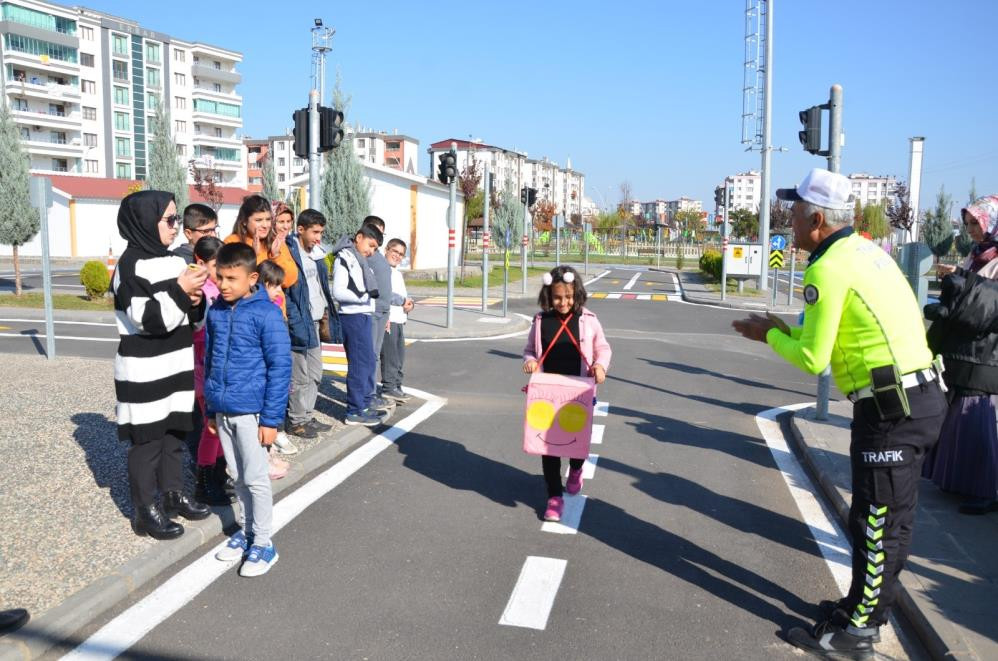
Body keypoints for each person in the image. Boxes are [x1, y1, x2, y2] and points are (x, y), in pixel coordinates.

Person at [731, 168, 946, 659]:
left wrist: (769, 334)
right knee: (888, 520)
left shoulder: (826, 268)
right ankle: (861, 610)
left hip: (893, 412)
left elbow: (813, 358)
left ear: (818, 219)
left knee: (875, 523)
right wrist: (786, 330)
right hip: (919, 399)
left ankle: (859, 634)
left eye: (795, 209)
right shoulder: (868, 251)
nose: (788, 217)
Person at [112, 190, 211, 540]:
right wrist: (184, 291)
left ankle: (173, 494)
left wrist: (196, 300)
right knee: (148, 442)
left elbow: (190, 316)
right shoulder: (128, 267)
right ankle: (144, 510)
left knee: (174, 435)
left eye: (176, 219)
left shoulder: (173, 261)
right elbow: (149, 319)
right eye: (169, 220)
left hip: (177, 363)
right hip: (144, 369)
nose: (175, 227)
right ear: (144, 222)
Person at [205, 243, 291, 577]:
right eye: (220, 277)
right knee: (237, 476)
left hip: (253, 414)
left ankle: (264, 543)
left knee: (256, 478)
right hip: (224, 411)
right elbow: (210, 361)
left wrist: (271, 419)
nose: (224, 285)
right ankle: (248, 531)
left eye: (231, 278)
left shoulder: (266, 313)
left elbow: (279, 367)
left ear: (252, 277)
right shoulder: (216, 311)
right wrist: (211, 409)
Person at [923, 195, 998, 515]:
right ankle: (959, 481)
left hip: (987, 352)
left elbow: (989, 303)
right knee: (958, 417)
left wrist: (961, 281)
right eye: (967, 223)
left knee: (977, 420)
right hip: (964, 349)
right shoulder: (976, 255)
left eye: (976, 223)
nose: (970, 230)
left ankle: (986, 489)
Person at [522, 265, 611, 523]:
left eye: (569, 297)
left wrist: (599, 365)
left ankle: (576, 470)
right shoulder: (541, 321)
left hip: (578, 393)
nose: (563, 302)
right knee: (547, 447)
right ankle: (554, 496)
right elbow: (529, 349)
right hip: (547, 393)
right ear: (549, 296)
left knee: (575, 441)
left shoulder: (589, 320)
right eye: (558, 297)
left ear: (578, 293)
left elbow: (602, 348)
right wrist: (530, 361)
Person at [284, 209, 339, 441]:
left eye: (321, 232)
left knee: (316, 373)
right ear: (301, 230)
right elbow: (288, 292)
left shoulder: (316, 253)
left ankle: (306, 415)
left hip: (317, 321)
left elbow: (320, 286)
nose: (319, 237)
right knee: (300, 375)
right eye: (315, 232)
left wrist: (326, 310)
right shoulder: (289, 253)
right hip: (299, 323)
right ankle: (296, 420)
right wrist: (296, 320)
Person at [331, 224, 390, 427]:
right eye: (370, 245)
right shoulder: (345, 257)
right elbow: (338, 291)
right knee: (358, 365)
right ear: (359, 237)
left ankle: (364, 405)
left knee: (367, 363)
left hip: (363, 315)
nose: (371, 251)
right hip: (352, 317)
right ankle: (354, 411)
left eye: (375, 248)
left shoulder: (359, 259)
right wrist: (363, 297)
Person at [190, 236, 233, 506]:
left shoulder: (217, 287)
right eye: (216, 264)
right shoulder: (199, 293)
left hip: (220, 368)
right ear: (200, 262)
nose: (220, 271)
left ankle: (218, 473)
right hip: (203, 370)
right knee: (211, 427)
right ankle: (203, 481)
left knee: (222, 426)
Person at [224, 194, 299, 289]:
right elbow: (233, 281)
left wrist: (276, 256)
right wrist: (253, 256)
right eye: (258, 220)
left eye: (268, 219)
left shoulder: (275, 241)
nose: (265, 225)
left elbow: (290, 279)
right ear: (244, 221)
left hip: (276, 302)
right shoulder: (232, 242)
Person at [362, 216, 394, 410]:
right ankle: (367, 395)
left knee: (374, 355)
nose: (379, 234)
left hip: (383, 309)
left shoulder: (377, 254)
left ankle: (371, 393)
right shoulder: (365, 254)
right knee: (370, 355)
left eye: (382, 231)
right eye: (376, 229)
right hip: (372, 310)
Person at [381, 238, 414, 402]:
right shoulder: (382, 270)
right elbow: (384, 295)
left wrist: (410, 304)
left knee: (399, 356)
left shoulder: (397, 274)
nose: (398, 256)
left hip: (399, 319)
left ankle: (396, 385)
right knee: (390, 356)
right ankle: (389, 387)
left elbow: (403, 295)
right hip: (389, 319)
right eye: (395, 252)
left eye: (401, 254)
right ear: (387, 249)